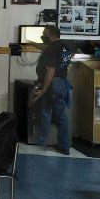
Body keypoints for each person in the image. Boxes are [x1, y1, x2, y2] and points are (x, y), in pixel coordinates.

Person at [30, 25, 74, 154]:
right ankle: (65, 146)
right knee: (61, 115)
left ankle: (40, 145)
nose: (43, 37)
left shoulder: (51, 50)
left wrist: (43, 89)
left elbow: (50, 71)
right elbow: (48, 49)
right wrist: (31, 42)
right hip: (62, 84)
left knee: (44, 112)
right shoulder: (65, 46)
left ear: (53, 36)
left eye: (45, 35)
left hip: (52, 85)